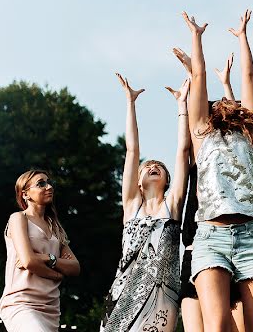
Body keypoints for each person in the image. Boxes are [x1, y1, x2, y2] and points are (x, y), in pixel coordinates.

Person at [183, 10, 253, 332]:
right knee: (217, 326)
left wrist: (243, 38)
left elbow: (249, 80)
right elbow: (199, 77)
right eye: (218, 101)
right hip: (210, 237)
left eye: (231, 102)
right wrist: (196, 37)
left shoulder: (250, 137)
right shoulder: (201, 133)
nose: (226, 101)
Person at [100, 73, 193, 332]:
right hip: (123, 294)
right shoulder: (131, 206)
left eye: (159, 167)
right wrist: (130, 103)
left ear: (167, 180)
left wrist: (182, 105)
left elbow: (183, 150)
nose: (153, 166)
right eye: (147, 167)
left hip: (162, 299)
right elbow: (132, 150)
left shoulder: (173, 204)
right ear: (138, 182)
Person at [173, 50, 246, 332]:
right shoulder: (200, 150)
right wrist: (193, 76)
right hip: (198, 246)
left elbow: (237, 116)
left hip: (237, 242)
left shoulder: (239, 154)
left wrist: (227, 85)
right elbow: (197, 112)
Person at [0, 169, 81, 332]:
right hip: (21, 304)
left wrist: (47, 257)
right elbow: (29, 261)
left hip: (50, 308)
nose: (49, 187)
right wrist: (57, 274)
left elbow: (75, 267)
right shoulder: (18, 218)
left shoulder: (55, 227)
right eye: (41, 184)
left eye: (49, 182)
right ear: (25, 194)